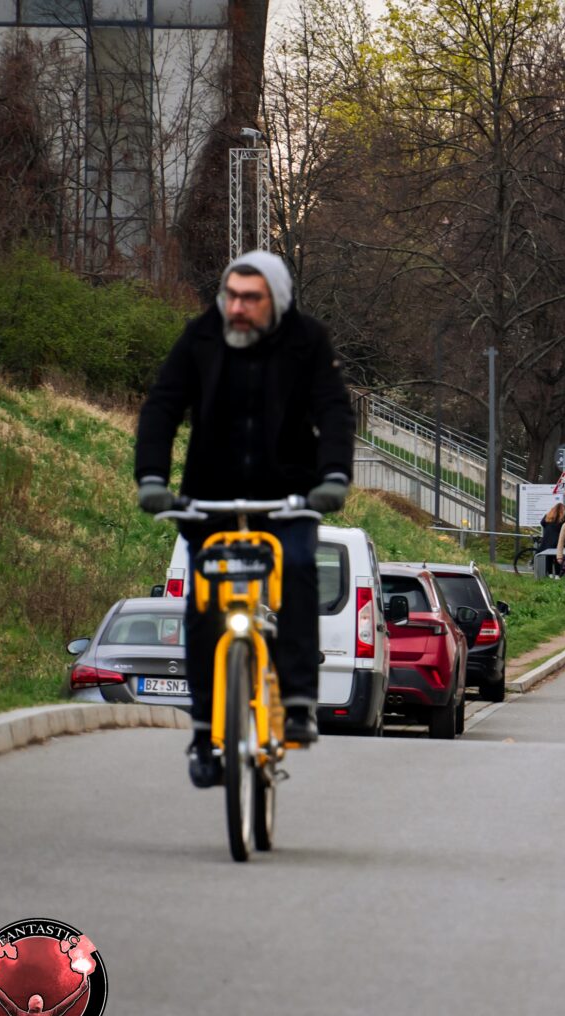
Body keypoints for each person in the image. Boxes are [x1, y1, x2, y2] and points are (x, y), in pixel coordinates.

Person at [135, 250, 354, 787]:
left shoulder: (308, 340)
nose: (237, 307)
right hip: (210, 497)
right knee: (202, 606)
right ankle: (206, 725)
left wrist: (332, 478)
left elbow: (333, 408)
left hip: (288, 497)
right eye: (231, 295)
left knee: (299, 566)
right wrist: (152, 479)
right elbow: (163, 404)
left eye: (250, 298)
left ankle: (299, 699)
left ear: (275, 300)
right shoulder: (201, 337)